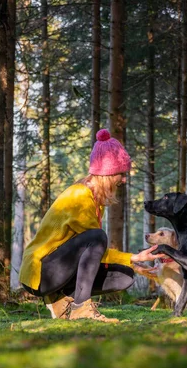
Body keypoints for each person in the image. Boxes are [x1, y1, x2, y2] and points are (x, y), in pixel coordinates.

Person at [19, 129, 163, 323]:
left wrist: (133, 260)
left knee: (125, 277)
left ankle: (61, 298)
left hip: (57, 270)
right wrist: (131, 257)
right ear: (108, 174)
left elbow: (93, 253)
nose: (124, 179)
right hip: (41, 272)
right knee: (97, 236)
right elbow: (95, 244)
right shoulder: (80, 196)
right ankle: (80, 307)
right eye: (121, 174)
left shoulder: (95, 200)